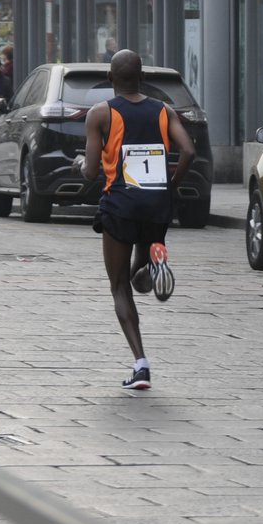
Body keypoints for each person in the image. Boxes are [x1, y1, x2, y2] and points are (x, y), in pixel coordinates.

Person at [77, 50, 196, 392]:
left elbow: (89, 171)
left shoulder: (101, 114)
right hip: (157, 203)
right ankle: (153, 265)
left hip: (121, 204)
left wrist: (78, 167)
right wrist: (170, 186)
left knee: (119, 286)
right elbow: (188, 151)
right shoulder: (164, 110)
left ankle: (141, 364)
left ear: (111, 79)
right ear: (143, 77)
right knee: (138, 275)